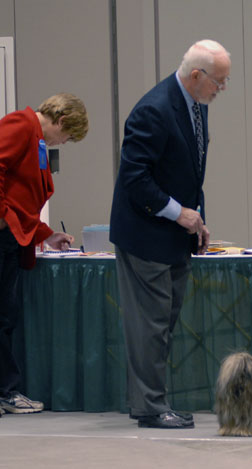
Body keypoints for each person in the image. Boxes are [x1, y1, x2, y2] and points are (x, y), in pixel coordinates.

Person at [109, 39, 231, 429]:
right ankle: (149, 407)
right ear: (196, 75)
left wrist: (198, 220)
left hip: (175, 237)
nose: (222, 88)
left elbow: (190, 173)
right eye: (219, 81)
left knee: (163, 325)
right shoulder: (154, 109)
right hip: (146, 235)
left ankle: (152, 401)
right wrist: (180, 214)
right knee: (150, 327)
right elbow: (134, 178)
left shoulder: (196, 105)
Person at [0, 93, 88, 415]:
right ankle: (6, 391)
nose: (63, 143)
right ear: (61, 121)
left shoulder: (35, 139)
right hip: (3, 235)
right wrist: (3, 217)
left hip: (10, 239)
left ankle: (5, 391)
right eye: (67, 137)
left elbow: (23, 200)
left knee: (4, 316)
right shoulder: (22, 125)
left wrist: (46, 235)